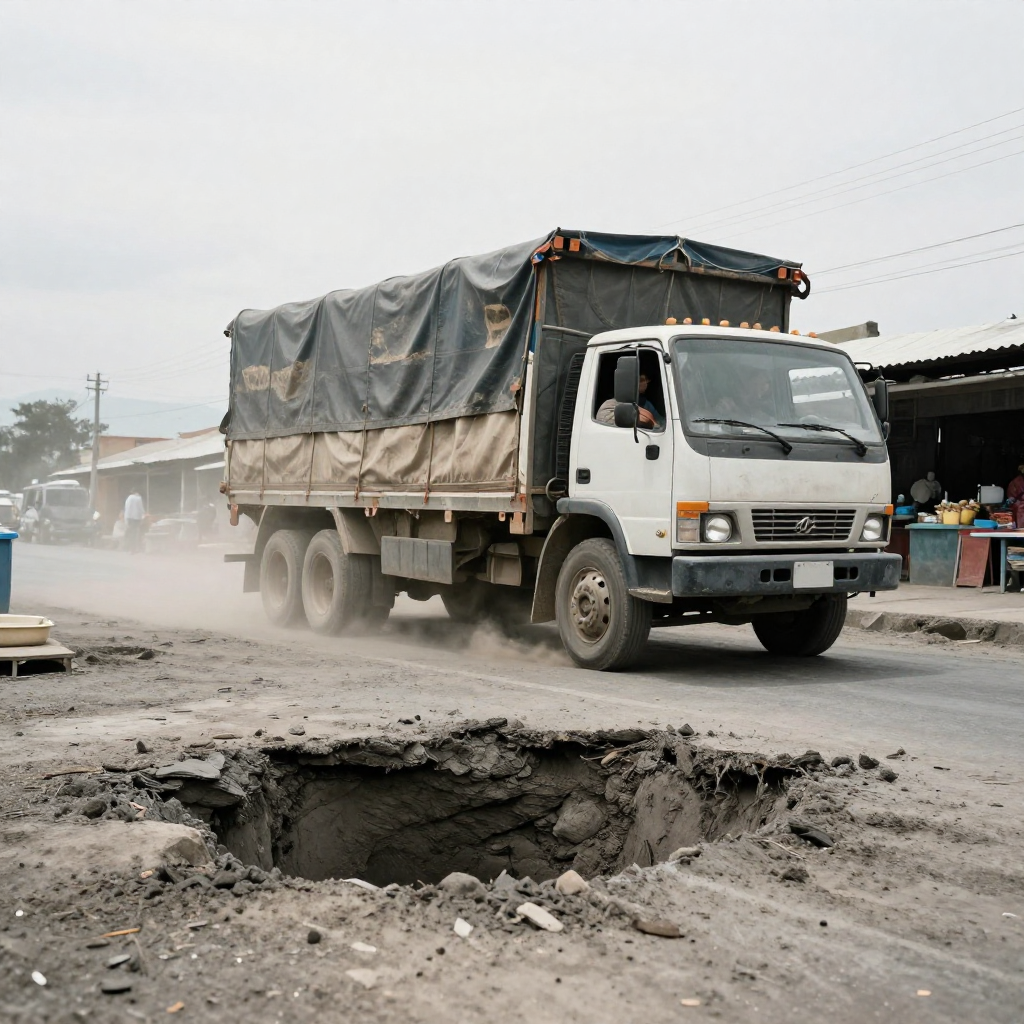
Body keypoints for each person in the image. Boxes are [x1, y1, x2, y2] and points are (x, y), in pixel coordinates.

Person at [595, 372, 663, 429]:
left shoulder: (646, 404)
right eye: (641, 380)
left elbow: (661, 422)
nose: (646, 383)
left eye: (647, 380)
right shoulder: (609, 406)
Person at [124, 489, 145, 553]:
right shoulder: (138, 498)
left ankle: (130, 548)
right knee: (135, 533)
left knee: (131, 533)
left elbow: (127, 508)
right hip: (136, 518)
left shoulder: (128, 498)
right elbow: (140, 508)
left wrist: (126, 518)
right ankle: (135, 548)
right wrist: (143, 514)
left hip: (129, 517)